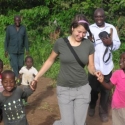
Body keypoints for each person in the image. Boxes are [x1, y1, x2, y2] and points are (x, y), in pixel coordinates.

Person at [31, 14, 101, 125]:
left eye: (84, 33)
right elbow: (50, 60)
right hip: (64, 89)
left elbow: (91, 66)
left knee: (79, 123)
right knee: (68, 123)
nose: (81, 35)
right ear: (72, 28)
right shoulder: (61, 43)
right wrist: (37, 77)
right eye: (79, 31)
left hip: (82, 89)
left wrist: (95, 72)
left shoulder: (88, 45)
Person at [88, 8, 121, 122]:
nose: (99, 19)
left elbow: (118, 44)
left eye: (101, 16)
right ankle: (92, 106)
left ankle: (103, 111)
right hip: (93, 66)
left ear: (104, 17)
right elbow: (85, 44)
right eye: (97, 17)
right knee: (93, 90)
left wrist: (110, 43)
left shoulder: (110, 28)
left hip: (107, 67)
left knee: (106, 91)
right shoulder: (90, 28)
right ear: (94, 17)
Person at [97, 52, 125, 125]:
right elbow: (109, 86)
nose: (121, 61)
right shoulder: (117, 74)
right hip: (117, 106)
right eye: (120, 59)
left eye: (124, 59)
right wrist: (102, 81)